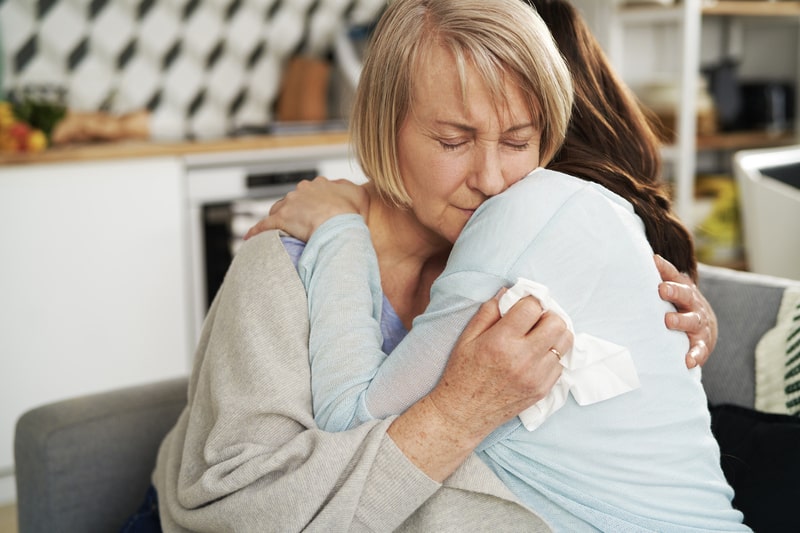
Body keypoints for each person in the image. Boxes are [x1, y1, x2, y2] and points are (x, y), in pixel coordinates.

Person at [134, 0, 719, 531]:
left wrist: (673, 327)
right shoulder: (284, 266)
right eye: (452, 141)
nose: (491, 180)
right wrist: (459, 411)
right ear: (385, 130)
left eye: (518, 142)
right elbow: (238, 511)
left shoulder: (526, 256)